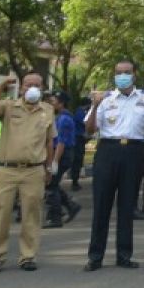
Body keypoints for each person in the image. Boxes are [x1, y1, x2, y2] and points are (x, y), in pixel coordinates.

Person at [84, 59, 144, 271]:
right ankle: (95, 256)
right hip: (107, 151)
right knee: (101, 206)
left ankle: (124, 255)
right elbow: (89, 129)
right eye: (118, 72)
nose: (122, 75)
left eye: (126, 72)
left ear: (134, 75)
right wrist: (95, 105)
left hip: (134, 152)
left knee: (127, 206)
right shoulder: (104, 100)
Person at [0, 72, 54, 273]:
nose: (32, 88)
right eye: (28, 84)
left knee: (31, 214)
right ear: (21, 87)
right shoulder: (8, 106)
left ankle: (28, 256)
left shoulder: (47, 110)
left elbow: (49, 141)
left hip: (34, 170)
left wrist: (49, 168)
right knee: (0, 215)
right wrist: (3, 84)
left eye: (37, 85)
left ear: (42, 88)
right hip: (6, 169)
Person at [43, 91, 81, 229]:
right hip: (59, 153)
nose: (51, 104)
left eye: (53, 101)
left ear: (61, 103)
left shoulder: (64, 119)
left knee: (51, 185)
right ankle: (71, 206)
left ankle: (55, 217)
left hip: (62, 154)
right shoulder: (59, 117)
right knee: (52, 184)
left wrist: (54, 162)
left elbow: (61, 143)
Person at [70, 97, 88, 192]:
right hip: (78, 139)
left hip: (79, 138)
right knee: (77, 159)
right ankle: (74, 181)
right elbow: (85, 122)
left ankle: (75, 180)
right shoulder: (80, 113)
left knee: (78, 159)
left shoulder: (79, 112)